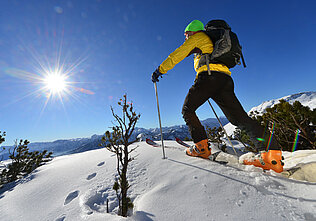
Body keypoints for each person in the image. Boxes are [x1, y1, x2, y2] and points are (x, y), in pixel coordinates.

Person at [151, 20, 284, 173]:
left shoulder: (198, 37)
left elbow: (177, 54)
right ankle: (271, 155)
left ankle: (201, 148)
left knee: (187, 110)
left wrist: (159, 70)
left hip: (209, 79)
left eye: (186, 34)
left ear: (193, 31)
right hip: (225, 80)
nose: (185, 37)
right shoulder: (211, 42)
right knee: (239, 118)